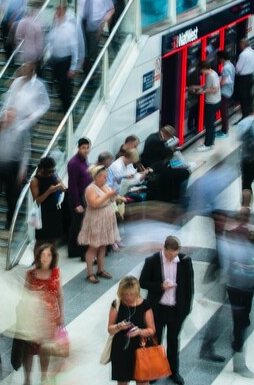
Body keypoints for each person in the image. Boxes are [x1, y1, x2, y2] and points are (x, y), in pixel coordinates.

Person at [139, 236, 194, 385]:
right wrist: (160, 286)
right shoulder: (152, 261)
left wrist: (186, 310)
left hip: (176, 310)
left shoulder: (184, 261)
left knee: (173, 341)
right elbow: (143, 282)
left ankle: (173, 371)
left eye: (175, 254)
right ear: (165, 249)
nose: (173, 257)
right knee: (155, 340)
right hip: (158, 309)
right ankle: (155, 371)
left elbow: (189, 287)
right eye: (170, 254)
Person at [219, 209, 254, 378]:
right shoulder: (251, 236)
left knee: (240, 320)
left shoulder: (228, 238)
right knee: (240, 322)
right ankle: (239, 359)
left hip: (234, 284)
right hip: (243, 285)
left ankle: (237, 346)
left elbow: (226, 264)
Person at [23, 244, 64, 385]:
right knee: (28, 349)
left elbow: (60, 295)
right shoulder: (31, 275)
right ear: (38, 257)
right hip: (32, 318)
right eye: (43, 255)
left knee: (45, 349)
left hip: (50, 318)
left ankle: (43, 376)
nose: (45, 258)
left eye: (49, 255)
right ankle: (27, 379)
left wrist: (61, 314)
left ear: (53, 257)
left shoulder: (56, 273)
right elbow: (24, 296)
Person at [78, 164, 124, 283]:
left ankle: (100, 269)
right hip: (96, 219)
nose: (105, 179)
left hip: (107, 218)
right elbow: (94, 203)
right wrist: (108, 195)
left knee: (103, 245)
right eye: (103, 177)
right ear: (96, 177)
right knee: (93, 246)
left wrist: (117, 197)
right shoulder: (90, 189)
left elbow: (110, 198)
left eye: (106, 177)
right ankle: (90, 273)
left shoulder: (105, 186)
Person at [108, 275, 156, 384]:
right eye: (125, 294)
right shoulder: (117, 304)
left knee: (143, 381)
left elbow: (152, 329)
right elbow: (110, 329)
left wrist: (139, 331)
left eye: (132, 294)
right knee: (122, 381)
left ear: (137, 292)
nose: (129, 297)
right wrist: (118, 326)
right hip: (121, 349)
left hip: (141, 348)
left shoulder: (145, 305)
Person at [0, 108, 30, 229]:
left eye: (11, 117)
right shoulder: (0, 128)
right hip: (0, 164)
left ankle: (10, 222)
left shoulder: (21, 131)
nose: (9, 119)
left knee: (11, 196)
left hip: (13, 165)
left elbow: (25, 151)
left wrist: (22, 170)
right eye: (7, 116)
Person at [47, 3, 82, 113]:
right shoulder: (55, 26)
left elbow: (74, 48)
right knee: (58, 84)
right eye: (56, 10)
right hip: (55, 60)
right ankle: (63, 104)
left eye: (59, 11)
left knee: (66, 87)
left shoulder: (69, 28)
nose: (57, 13)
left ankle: (67, 109)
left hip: (65, 61)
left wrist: (72, 67)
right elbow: (50, 40)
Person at [140, 126, 190, 203]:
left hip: (154, 165)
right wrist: (171, 150)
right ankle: (175, 197)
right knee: (184, 172)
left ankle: (175, 197)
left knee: (177, 171)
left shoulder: (153, 136)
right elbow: (165, 154)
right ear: (167, 135)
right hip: (155, 168)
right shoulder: (158, 142)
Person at [78, 0, 115, 74]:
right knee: (84, 48)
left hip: (96, 23)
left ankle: (90, 72)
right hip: (83, 22)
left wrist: (104, 21)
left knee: (92, 50)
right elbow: (80, 6)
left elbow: (111, 9)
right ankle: (87, 70)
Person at [30, 156, 67, 249]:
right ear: (42, 169)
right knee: (40, 239)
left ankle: (52, 259)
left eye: (53, 170)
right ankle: (38, 261)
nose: (51, 173)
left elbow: (64, 188)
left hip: (53, 209)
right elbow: (37, 200)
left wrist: (58, 185)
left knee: (53, 238)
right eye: (49, 171)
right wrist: (49, 191)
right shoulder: (35, 181)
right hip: (42, 212)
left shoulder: (53, 176)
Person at [67, 137, 92, 258]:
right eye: (83, 148)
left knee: (82, 224)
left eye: (87, 148)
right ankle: (73, 250)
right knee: (77, 225)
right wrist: (77, 203)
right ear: (78, 148)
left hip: (85, 196)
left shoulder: (84, 160)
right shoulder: (74, 163)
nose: (86, 150)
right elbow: (72, 185)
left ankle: (80, 248)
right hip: (77, 197)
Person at [192, 60, 221, 152]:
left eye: (201, 70)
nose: (201, 73)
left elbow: (215, 89)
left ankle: (207, 144)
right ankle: (211, 142)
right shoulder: (212, 74)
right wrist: (198, 87)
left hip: (212, 103)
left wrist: (203, 91)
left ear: (204, 68)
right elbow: (208, 85)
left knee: (209, 124)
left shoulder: (212, 76)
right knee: (210, 124)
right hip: (214, 102)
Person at [235, 38, 254, 120]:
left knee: (243, 97)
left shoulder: (243, 55)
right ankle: (249, 111)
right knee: (248, 95)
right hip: (250, 76)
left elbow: (238, 68)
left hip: (243, 78)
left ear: (242, 45)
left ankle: (245, 115)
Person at [215, 50, 235, 137]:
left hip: (224, 92)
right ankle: (225, 128)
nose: (219, 61)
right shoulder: (231, 65)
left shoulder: (226, 68)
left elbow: (223, 81)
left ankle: (224, 131)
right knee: (224, 111)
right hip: (229, 90)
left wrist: (215, 86)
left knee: (223, 111)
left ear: (222, 59)